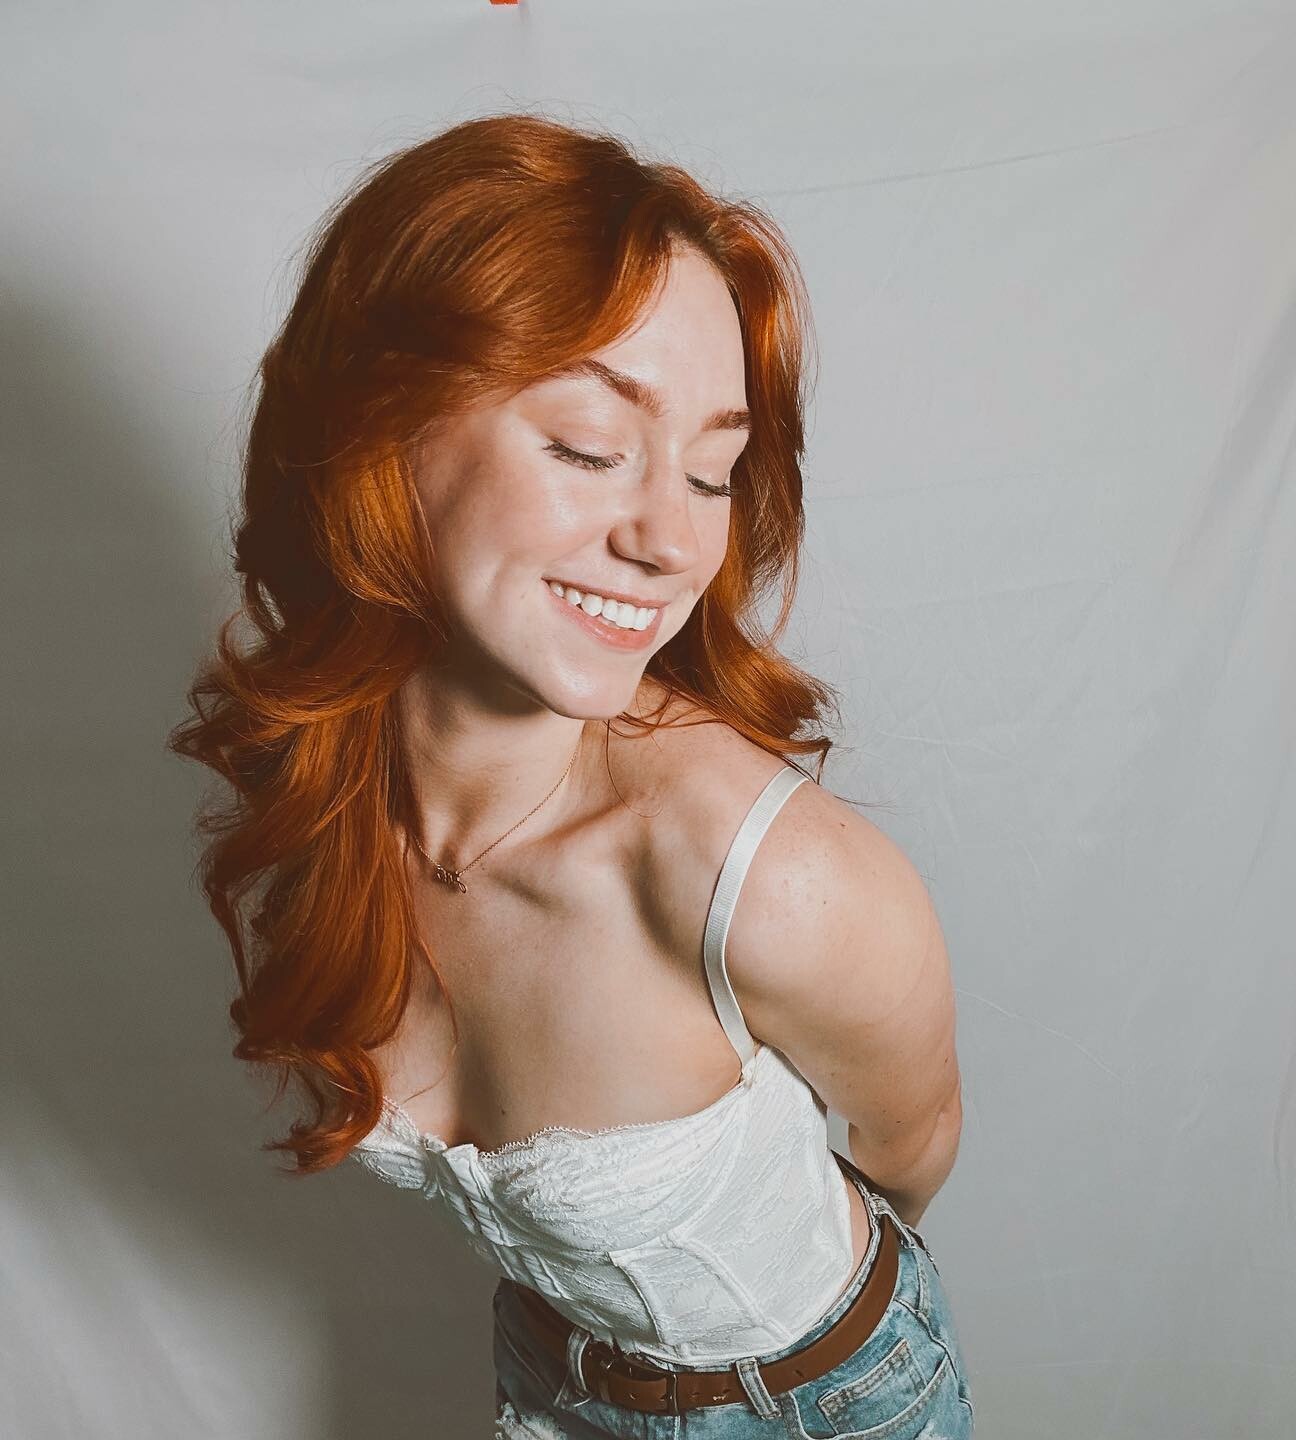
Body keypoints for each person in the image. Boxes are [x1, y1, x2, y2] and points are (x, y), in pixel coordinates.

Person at [170, 112, 972, 1437]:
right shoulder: (324, 803)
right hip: (545, 1382)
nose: (672, 540)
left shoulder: (769, 881)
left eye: (713, 473)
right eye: (593, 447)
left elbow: (911, 1145)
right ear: (376, 429)